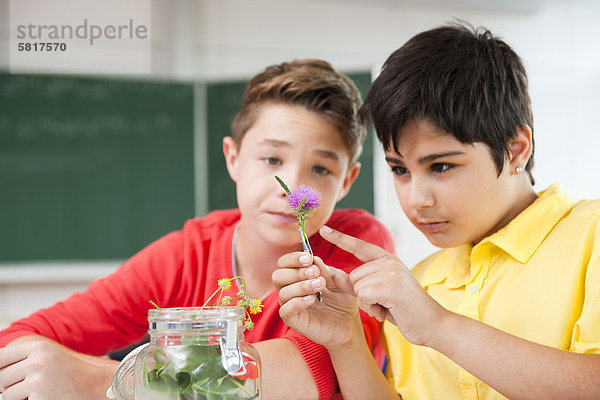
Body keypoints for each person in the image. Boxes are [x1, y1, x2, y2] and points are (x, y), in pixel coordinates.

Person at [0, 59, 395, 399]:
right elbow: (18, 342)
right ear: (234, 158)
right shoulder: (187, 255)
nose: (292, 186)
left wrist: (100, 380)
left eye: (321, 169)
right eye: (272, 159)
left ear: (347, 180)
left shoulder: (353, 246)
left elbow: (306, 376)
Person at [274, 24, 600, 400]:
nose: (417, 199)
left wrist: (439, 326)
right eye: (400, 170)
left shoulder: (589, 238)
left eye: (441, 166)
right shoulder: (420, 284)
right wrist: (346, 341)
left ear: (516, 149)